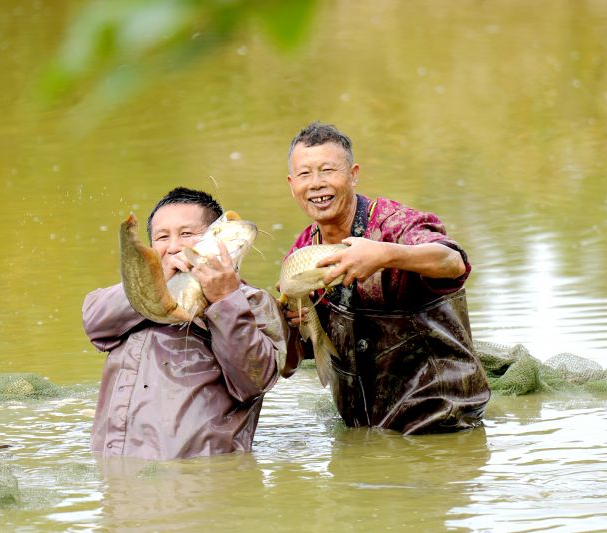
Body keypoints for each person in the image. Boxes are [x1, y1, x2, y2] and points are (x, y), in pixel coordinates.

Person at [282, 121, 490, 434]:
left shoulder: (395, 224)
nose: (316, 183)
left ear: (353, 175)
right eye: (305, 174)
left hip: (440, 414)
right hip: (364, 424)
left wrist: (383, 254)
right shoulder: (300, 252)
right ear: (291, 184)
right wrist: (293, 326)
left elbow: (453, 262)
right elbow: (290, 363)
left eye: (328, 170)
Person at [82, 187, 287, 460]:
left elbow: (254, 381)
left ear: (219, 241)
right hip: (119, 474)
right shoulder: (133, 295)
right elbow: (94, 323)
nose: (174, 247)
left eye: (187, 234)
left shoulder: (251, 301)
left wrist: (224, 300)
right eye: (162, 237)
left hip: (200, 477)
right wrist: (155, 281)